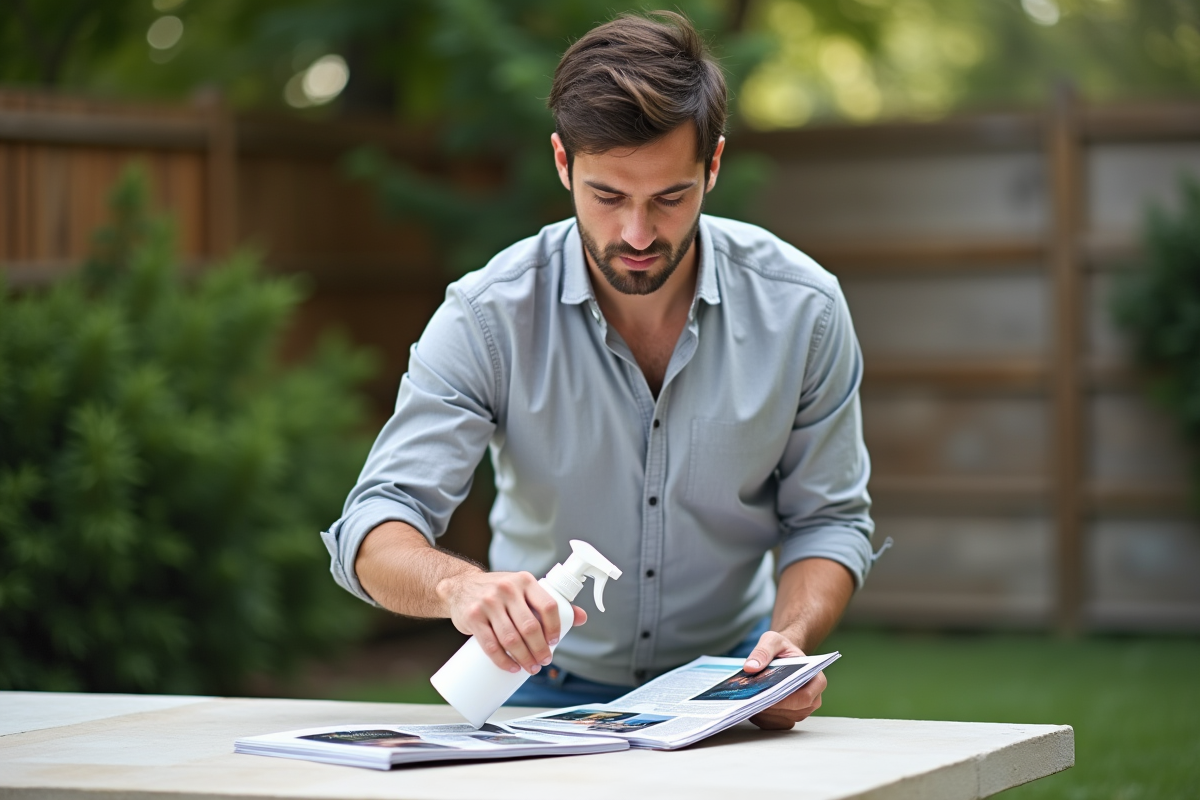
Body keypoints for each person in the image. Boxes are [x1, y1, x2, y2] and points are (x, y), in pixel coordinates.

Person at [321, 10, 878, 731]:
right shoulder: (487, 316)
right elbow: (373, 524)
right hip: (530, 684)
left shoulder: (804, 309)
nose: (637, 235)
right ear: (563, 163)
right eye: (608, 196)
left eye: (669, 198)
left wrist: (789, 646)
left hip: (728, 685)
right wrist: (460, 588)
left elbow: (829, 520)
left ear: (712, 166)